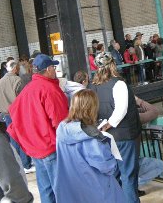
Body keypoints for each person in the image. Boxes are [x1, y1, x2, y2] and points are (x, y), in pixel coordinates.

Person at [7, 54, 68, 203]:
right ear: (48, 69)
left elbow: (14, 112)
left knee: (46, 189)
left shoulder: (28, 88)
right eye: (53, 67)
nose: (55, 70)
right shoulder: (50, 89)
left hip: (35, 147)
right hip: (51, 147)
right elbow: (61, 122)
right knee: (61, 189)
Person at [89, 52, 142, 203]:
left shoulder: (93, 86)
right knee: (128, 176)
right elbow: (121, 110)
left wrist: (101, 127)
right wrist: (109, 124)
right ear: (112, 64)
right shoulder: (118, 83)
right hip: (124, 135)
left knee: (114, 176)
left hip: (106, 138)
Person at [54, 89, 124, 202]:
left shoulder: (62, 128)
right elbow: (107, 167)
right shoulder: (92, 136)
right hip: (97, 190)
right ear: (92, 108)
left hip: (72, 189)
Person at [0, 60, 35, 174]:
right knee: (21, 138)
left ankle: (17, 164)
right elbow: (23, 97)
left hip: (5, 115)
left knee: (13, 139)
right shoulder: (18, 80)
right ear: (15, 69)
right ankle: (25, 163)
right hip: (16, 113)